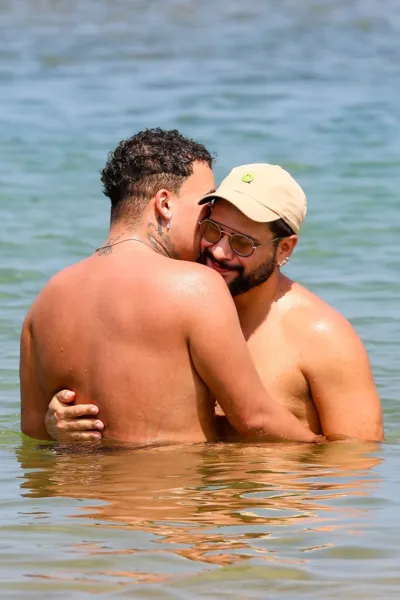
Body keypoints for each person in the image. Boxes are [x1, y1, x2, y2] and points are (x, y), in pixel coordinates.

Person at [45, 160, 384, 443]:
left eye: (242, 243)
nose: (219, 251)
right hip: (193, 513)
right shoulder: (176, 302)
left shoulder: (321, 335)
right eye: (212, 231)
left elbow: (357, 463)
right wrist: (57, 423)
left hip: (275, 515)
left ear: (284, 249)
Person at [20, 128, 319, 445]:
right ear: (164, 203)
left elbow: (33, 428)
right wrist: (322, 450)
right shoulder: (196, 287)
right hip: (172, 492)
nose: (209, 221)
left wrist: (54, 426)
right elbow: (254, 419)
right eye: (205, 207)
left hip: (90, 494)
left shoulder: (45, 301)